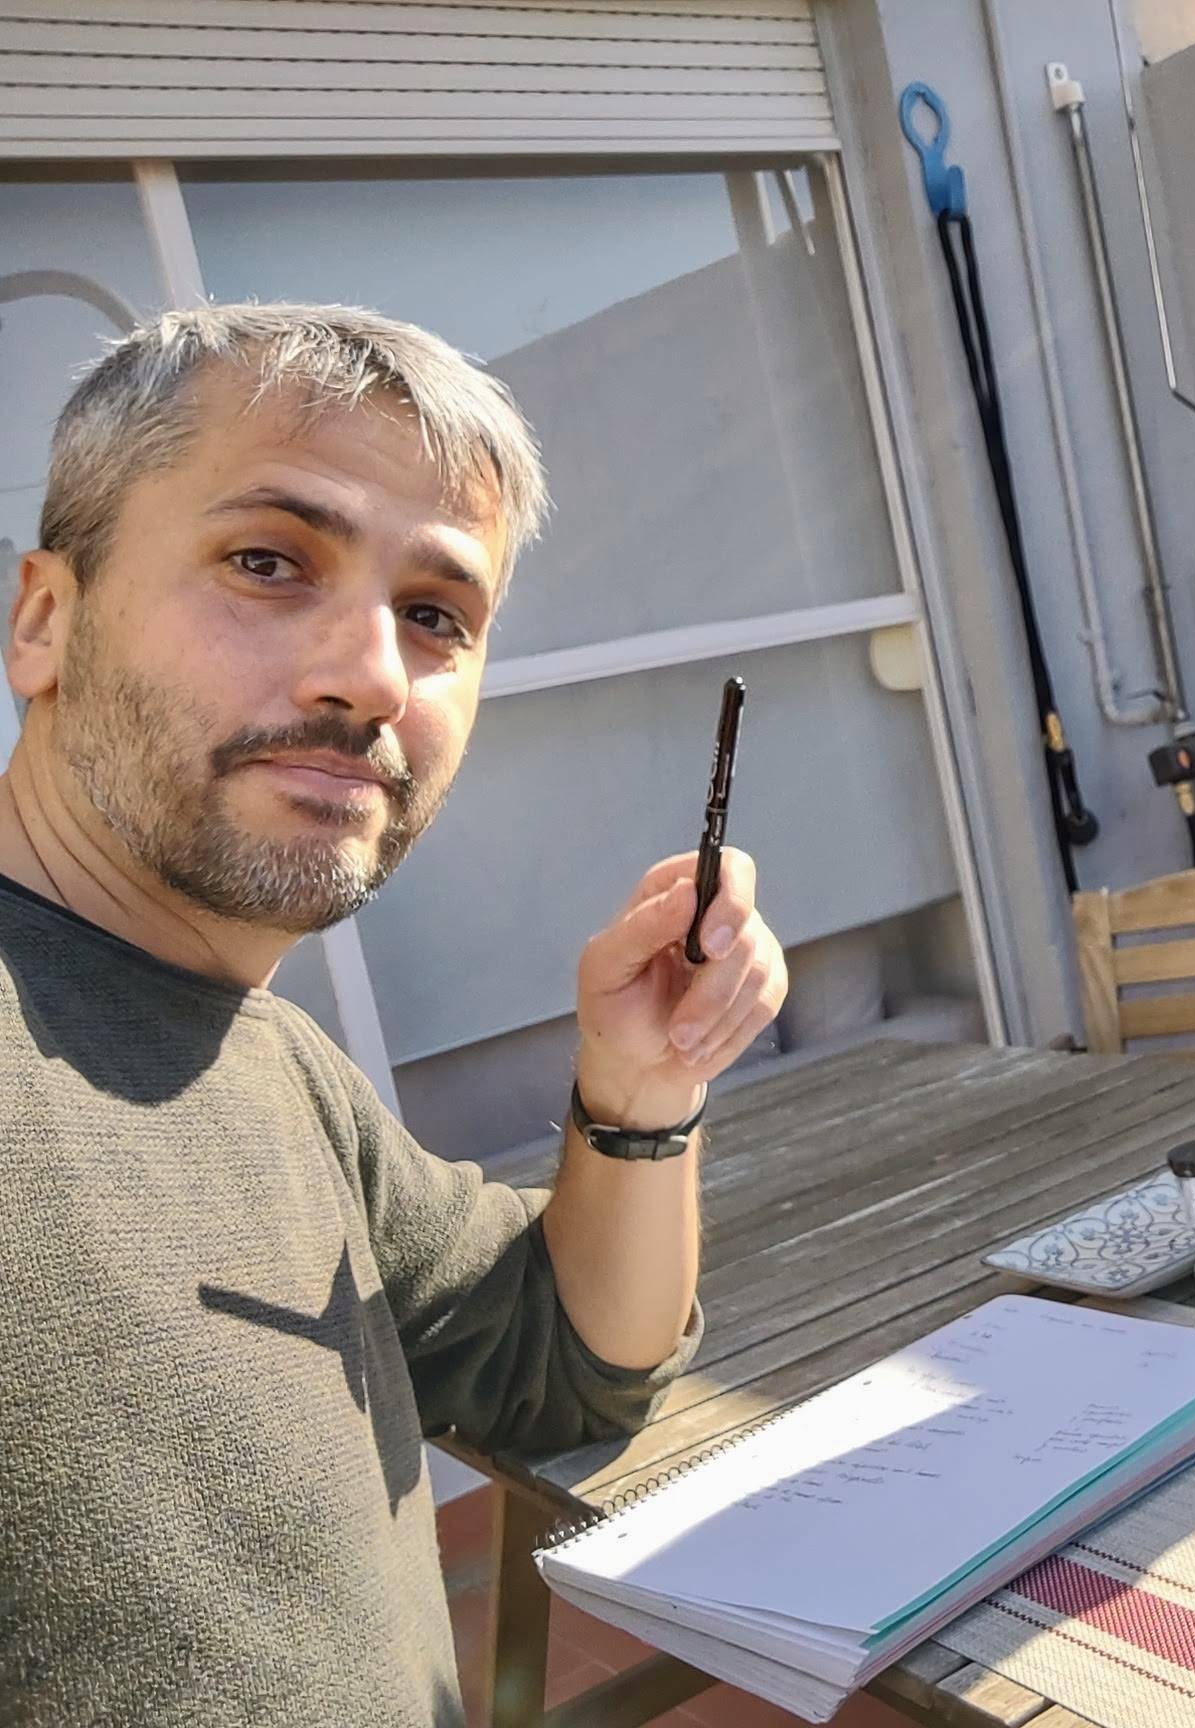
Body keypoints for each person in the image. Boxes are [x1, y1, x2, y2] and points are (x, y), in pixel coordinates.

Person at [0, 305, 788, 1727]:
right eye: (264, 561)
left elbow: (565, 1368)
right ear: (45, 619)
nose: (370, 676)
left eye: (436, 615)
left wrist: (641, 1082)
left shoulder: (270, 1067)